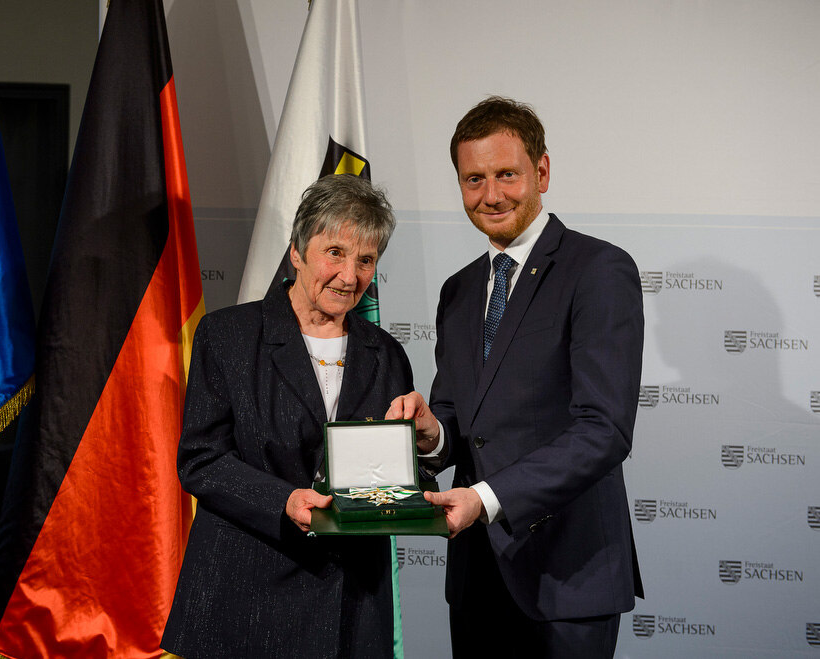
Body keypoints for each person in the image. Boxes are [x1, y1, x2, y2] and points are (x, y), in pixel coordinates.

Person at [387, 96, 644, 658]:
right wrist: (434, 433)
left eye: (507, 174)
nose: (491, 195)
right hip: (478, 578)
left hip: (567, 577)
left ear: (542, 171)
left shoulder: (598, 270)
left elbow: (604, 429)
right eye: (473, 179)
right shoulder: (458, 290)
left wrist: (486, 496)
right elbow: (459, 414)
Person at [161, 174, 413, 658]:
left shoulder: (386, 353)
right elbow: (201, 459)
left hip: (352, 605)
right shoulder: (229, 335)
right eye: (334, 252)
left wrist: (425, 445)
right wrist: (284, 500)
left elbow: (397, 471)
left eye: (365, 260)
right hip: (246, 595)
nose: (348, 275)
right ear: (296, 251)